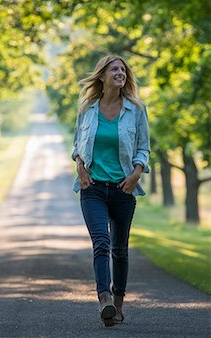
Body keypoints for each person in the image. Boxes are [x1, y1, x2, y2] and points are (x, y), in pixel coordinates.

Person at [71, 54, 150, 327]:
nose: (121, 73)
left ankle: (117, 304)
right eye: (114, 69)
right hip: (92, 188)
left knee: (120, 249)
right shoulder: (87, 109)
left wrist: (136, 172)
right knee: (101, 243)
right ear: (102, 75)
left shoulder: (136, 109)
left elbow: (143, 147)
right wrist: (80, 165)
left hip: (122, 188)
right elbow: (77, 145)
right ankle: (103, 298)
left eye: (123, 70)